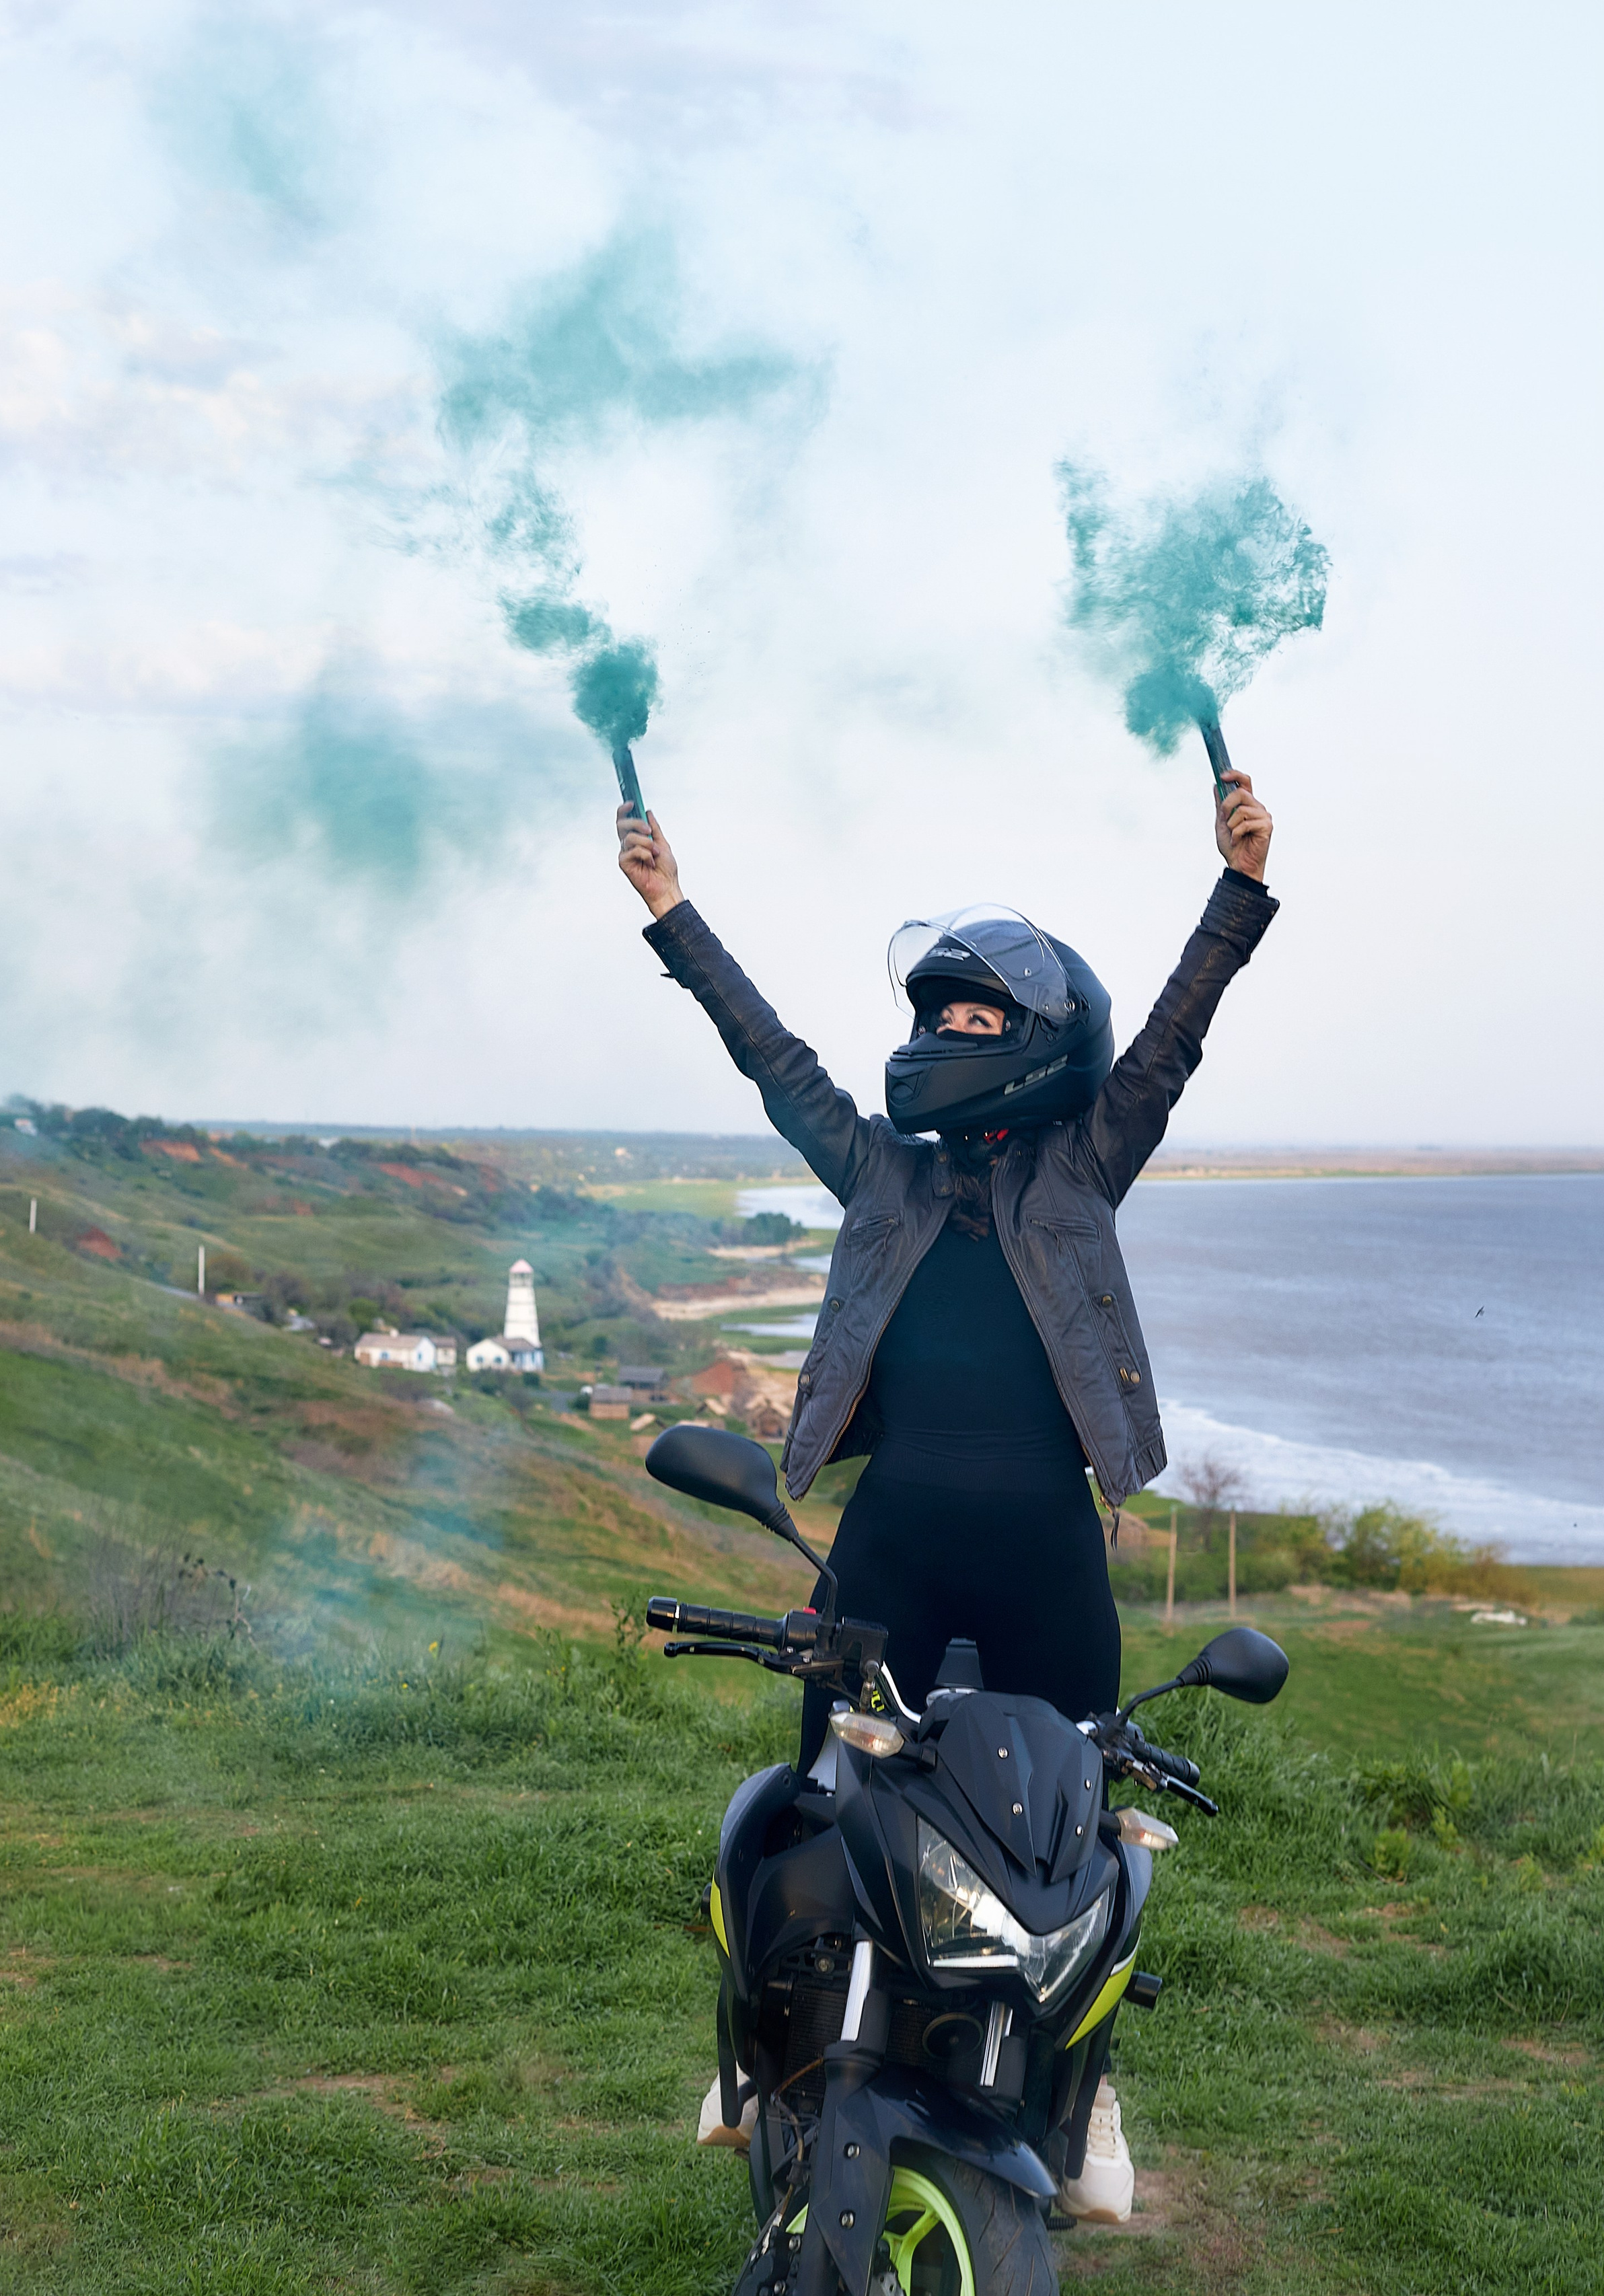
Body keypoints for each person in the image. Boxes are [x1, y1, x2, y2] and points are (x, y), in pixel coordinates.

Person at [618, 770, 1276, 2219]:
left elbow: (1170, 1043)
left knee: (1083, 1835)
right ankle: (757, 2057)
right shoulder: (877, 1175)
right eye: (933, 1018)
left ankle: (1087, 2102)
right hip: (893, 1547)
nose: (942, 1039)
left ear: (1035, 1049)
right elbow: (771, 1059)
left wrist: (1235, 891)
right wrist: (672, 914)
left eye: (974, 1021)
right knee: (816, 1803)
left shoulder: (1082, 1168)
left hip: (1045, 1551)